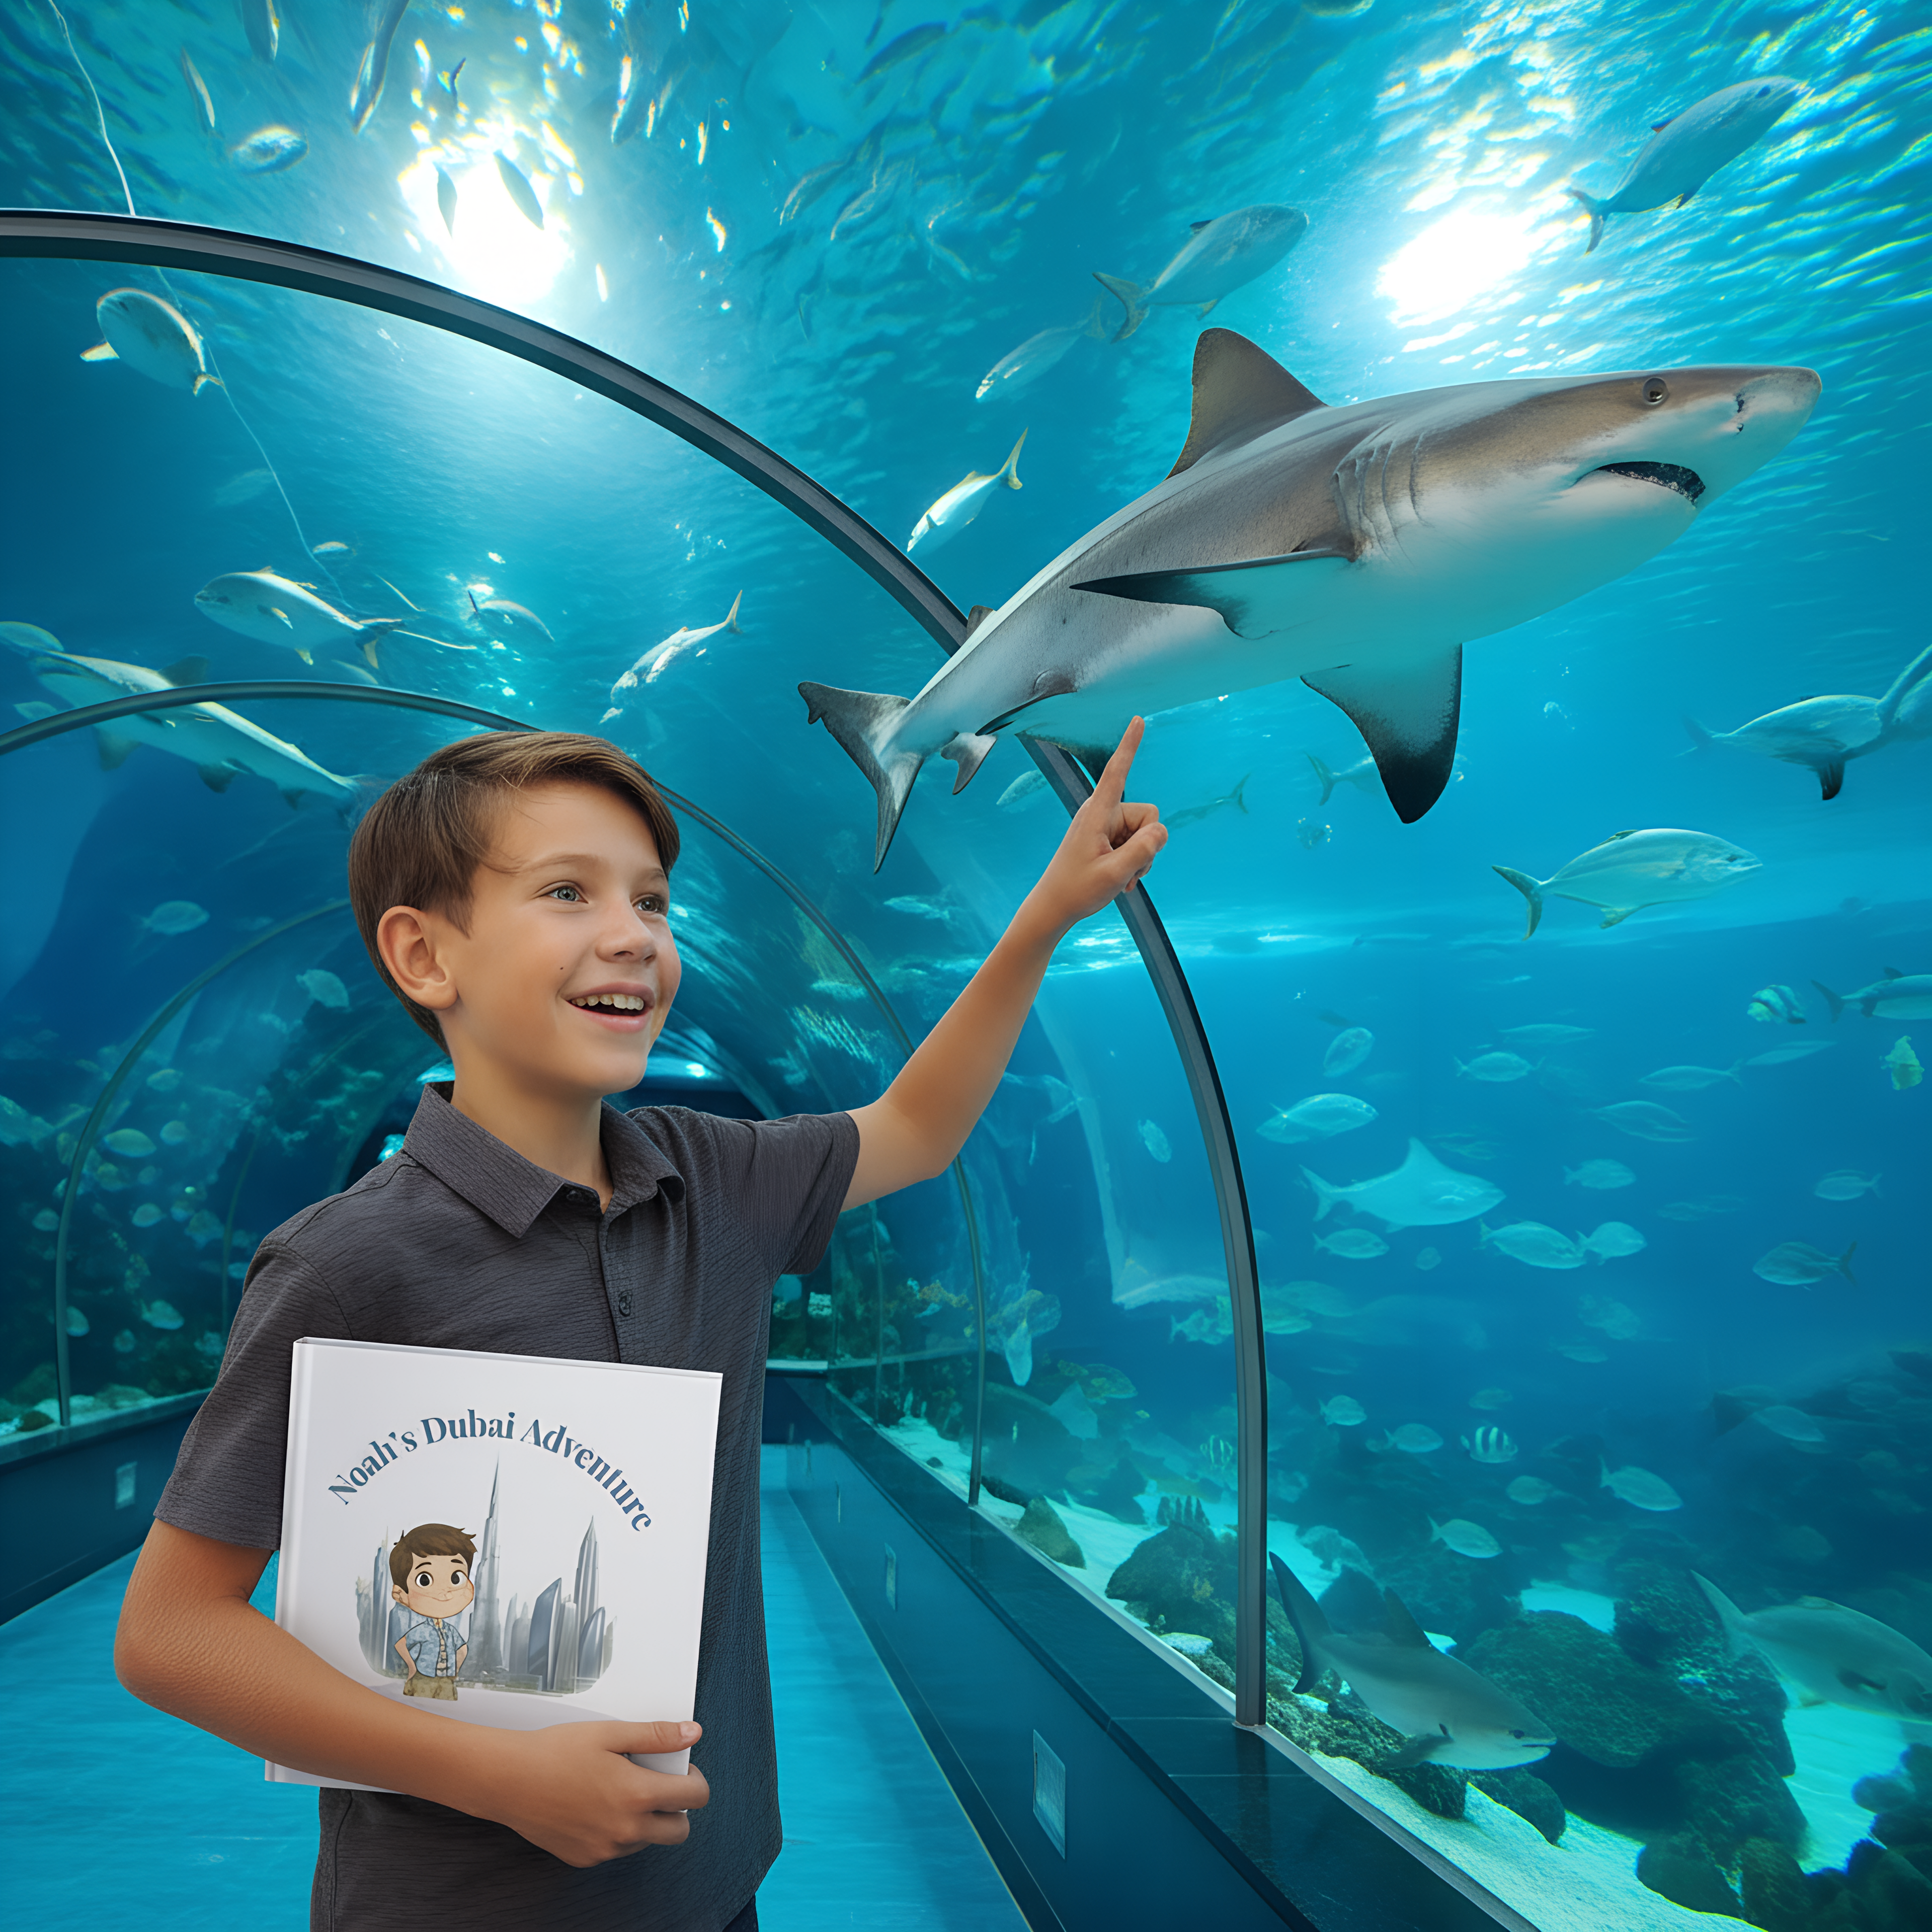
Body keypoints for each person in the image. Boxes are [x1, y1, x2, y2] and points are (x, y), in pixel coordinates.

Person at [114, 723, 1166, 1931]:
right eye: (567, 890)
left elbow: (914, 1128)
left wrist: (1043, 915)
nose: (634, 934)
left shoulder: (715, 1179)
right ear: (422, 953)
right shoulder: (349, 1258)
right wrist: (494, 1772)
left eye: (654, 901)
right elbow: (170, 1632)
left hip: (708, 1888)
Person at [387, 1525, 476, 1700]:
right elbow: (401, 1645)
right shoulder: (422, 1630)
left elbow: (463, 1649)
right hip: (423, 1679)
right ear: (400, 1594)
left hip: (446, 1681)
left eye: (456, 1578)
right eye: (425, 1580)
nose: (445, 1590)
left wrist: (455, 1671)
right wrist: (413, 1669)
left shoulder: (450, 1631)